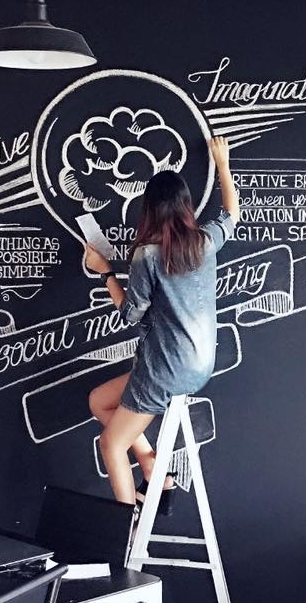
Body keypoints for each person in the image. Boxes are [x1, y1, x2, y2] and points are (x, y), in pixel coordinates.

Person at [84, 135, 240, 511]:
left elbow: (130, 314)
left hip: (165, 369)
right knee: (99, 401)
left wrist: (105, 272)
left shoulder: (148, 255)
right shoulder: (205, 241)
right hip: (199, 366)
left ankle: (125, 528)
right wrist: (223, 164)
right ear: (185, 205)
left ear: (149, 209)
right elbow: (232, 214)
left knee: (111, 444)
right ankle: (155, 471)